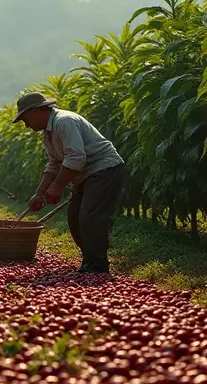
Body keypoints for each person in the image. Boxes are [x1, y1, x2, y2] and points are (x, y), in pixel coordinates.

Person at [11, 91, 126, 273]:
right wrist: (40, 193)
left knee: (90, 217)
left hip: (103, 168)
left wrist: (57, 186)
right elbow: (54, 163)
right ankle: (90, 261)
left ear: (34, 111)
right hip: (84, 173)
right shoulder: (48, 134)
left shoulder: (64, 121)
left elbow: (76, 157)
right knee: (74, 217)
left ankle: (98, 266)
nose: (26, 125)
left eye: (25, 120)